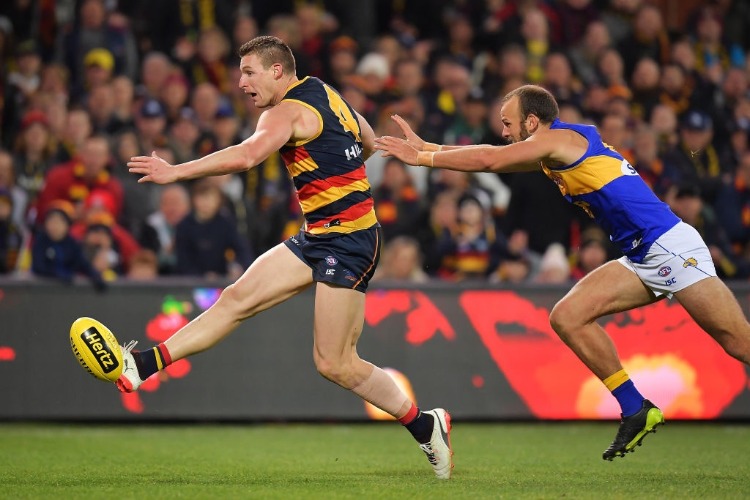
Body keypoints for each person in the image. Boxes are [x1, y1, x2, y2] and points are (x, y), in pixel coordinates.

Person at [122, 36, 452, 479]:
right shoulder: (326, 91)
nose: (241, 83)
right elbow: (368, 141)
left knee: (334, 363)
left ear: (278, 70)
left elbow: (247, 155)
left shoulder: (286, 111)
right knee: (235, 298)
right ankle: (144, 365)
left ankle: (425, 423)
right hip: (320, 235)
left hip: (350, 241)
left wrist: (175, 171)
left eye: (249, 72)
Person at [374, 84, 750, 460]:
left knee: (737, 341)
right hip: (641, 255)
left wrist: (423, 159)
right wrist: (428, 147)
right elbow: (491, 153)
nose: (504, 132)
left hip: (667, 245)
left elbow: (490, 159)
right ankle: (636, 408)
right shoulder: (554, 147)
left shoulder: (557, 141)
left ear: (532, 121)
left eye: (509, 123)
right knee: (569, 316)